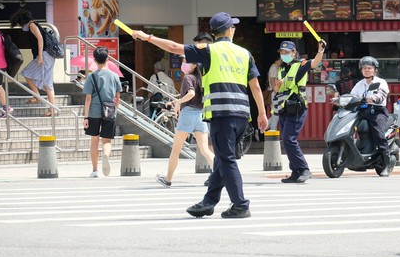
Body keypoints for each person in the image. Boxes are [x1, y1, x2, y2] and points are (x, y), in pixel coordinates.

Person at [133, 12, 268, 219]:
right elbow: (256, 86)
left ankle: (240, 204)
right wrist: (262, 113)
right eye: (233, 26)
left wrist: (147, 37)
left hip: (222, 114)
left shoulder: (209, 51)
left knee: (226, 159)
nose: (234, 28)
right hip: (242, 115)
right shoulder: (244, 53)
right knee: (223, 159)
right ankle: (208, 202)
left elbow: (173, 48)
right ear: (229, 30)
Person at [156, 57, 215, 187]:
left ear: (194, 65)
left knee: (176, 150)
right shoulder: (200, 78)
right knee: (205, 149)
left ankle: (168, 179)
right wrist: (176, 101)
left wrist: (178, 102)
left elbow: (191, 94)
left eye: (186, 62)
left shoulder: (188, 78)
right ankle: (220, 173)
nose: (183, 64)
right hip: (200, 115)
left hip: (188, 114)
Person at [272, 40, 325, 183]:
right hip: (284, 108)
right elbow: (277, 90)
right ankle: (295, 171)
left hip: (297, 108)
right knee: (286, 140)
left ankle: (304, 169)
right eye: (282, 53)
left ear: (294, 52)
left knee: (289, 139)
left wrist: (320, 51)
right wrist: (276, 86)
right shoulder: (282, 69)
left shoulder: (300, 65)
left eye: (287, 52)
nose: (284, 55)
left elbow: (314, 63)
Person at [82, 47, 122, 178]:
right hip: (109, 111)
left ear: (94, 60)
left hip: (93, 112)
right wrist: (115, 110)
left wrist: (86, 116)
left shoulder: (91, 77)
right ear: (107, 59)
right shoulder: (115, 76)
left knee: (94, 141)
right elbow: (118, 98)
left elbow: (88, 98)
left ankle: (95, 170)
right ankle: (106, 155)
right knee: (107, 141)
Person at [10, 9, 57, 116]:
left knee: (27, 74)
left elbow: (40, 39)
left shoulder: (32, 25)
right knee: (46, 82)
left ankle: (38, 98)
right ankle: (50, 107)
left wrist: (40, 56)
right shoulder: (35, 24)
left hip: (44, 56)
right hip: (48, 56)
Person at [350, 56, 392, 177]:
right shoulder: (359, 84)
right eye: (364, 68)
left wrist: (373, 98)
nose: (367, 70)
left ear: (375, 70)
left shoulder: (381, 82)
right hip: (362, 111)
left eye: (369, 68)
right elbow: (352, 96)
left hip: (377, 112)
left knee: (378, 134)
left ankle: (386, 165)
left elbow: (381, 95)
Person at [266, 57, 281, 130]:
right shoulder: (274, 67)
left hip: (275, 92)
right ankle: (271, 130)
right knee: (276, 114)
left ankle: (263, 128)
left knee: (276, 114)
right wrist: (276, 92)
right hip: (274, 93)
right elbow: (272, 81)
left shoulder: (276, 67)